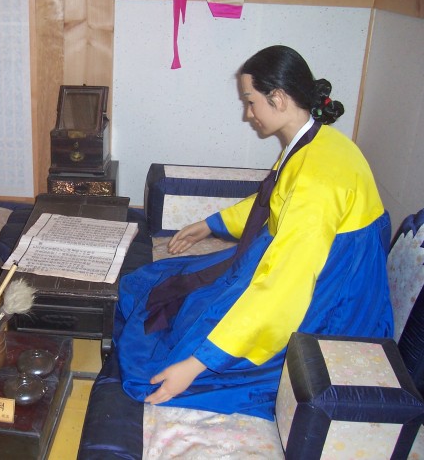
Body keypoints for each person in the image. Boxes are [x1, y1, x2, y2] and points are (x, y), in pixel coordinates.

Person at [113, 45, 393, 419]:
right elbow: (271, 201)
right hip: (301, 257)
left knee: (164, 360)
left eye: (250, 102)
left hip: (332, 292)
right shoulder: (315, 142)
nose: (248, 115)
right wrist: (209, 225)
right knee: (162, 284)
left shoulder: (318, 178)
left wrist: (198, 364)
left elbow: (285, 285)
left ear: (277, 97)